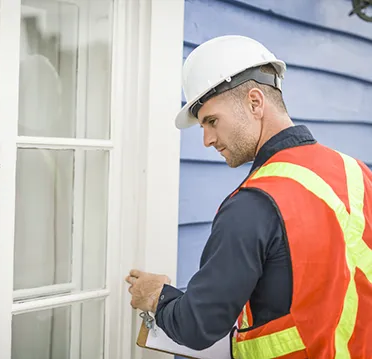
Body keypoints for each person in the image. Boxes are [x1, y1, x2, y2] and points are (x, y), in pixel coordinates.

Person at [125, 35, 372, 358]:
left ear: (255, 102)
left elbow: (197, 326)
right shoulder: (357, 172)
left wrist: (156, 295)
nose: (207, 140)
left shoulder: (254, 203)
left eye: (211, 121)